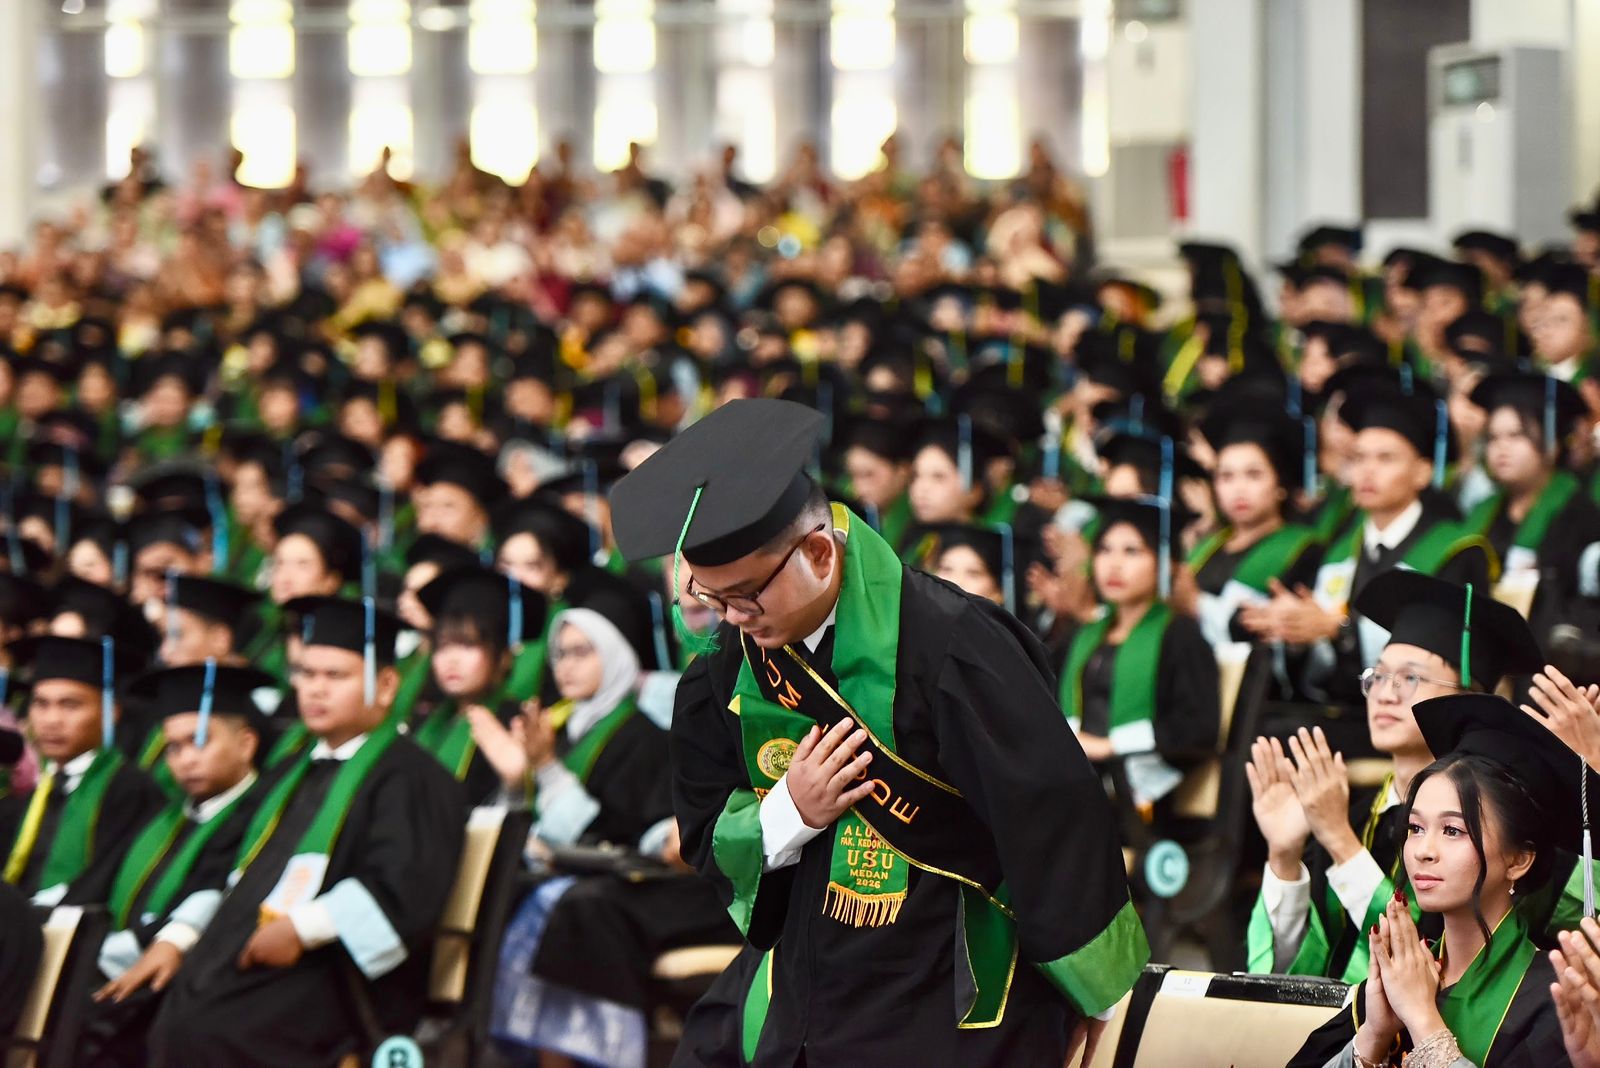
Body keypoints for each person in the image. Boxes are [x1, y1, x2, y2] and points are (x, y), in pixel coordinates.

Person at [610, 399, 1147, 1067]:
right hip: (805, 973)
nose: (734, 619)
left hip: (943, 970)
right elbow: (705, 820)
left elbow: (1051, 814)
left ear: (817, 552)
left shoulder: (953, 643)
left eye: (746, 595)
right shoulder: (726, 669)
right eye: (711, 598)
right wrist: (790, 811)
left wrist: (1097, 995)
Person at [147, 596, 465, 1067]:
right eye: (306, 674)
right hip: (247, 956)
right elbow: (222, 864)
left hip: (337, 973)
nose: (315, 690)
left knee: (209, 1031)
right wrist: (176, 938)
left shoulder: (412, 777)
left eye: (335, 676)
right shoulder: (289, 772)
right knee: (147, 1012)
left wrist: (303, 928)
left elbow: (405, 886)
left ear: (385, 685)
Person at [1248, 571, 1544, 982]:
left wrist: (1340, 842)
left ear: (1469, 700)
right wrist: (1284, 855)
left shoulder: (1487, 830)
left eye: (1410, 678)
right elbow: (1286, 975)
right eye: (1378, 676)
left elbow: (1438, 960)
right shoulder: (1357, 816)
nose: (1385, 694)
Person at [490, 607, 735, 1068]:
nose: (566, 666)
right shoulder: (566, 731)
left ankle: (599, 1055)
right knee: (520, 889)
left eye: (581, 652)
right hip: (601, 874)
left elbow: (635, 828)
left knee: (576, 907)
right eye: (560, 654)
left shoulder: (641, 734)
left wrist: (546, 769)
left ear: (614, 655)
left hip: (666, 879)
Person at [1288, 693, 1581, 1067]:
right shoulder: (1396, 979)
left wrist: (1423, 1019)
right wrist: (1374, 1035)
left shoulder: (1555, 1000)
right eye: (1415, 827)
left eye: (1453, 830)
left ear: (1519, 860)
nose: (1423, 850)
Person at [77, 662, 271, 1068]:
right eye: (173, 748)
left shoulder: (262, 819)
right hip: (120, 970)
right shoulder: (163, 818)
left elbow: (219, 898)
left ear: (246, 744)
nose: (185, 760)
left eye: (199, 742)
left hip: (191, 988)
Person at [1056, 495, 1220, 837]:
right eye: (1104, 550)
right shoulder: (1085, 635)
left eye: (1132, 551)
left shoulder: (1181, 635)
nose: (1114, 565)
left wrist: (1109, 746)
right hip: (1082, 779)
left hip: (1143, 795)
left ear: (1166, 564)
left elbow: (1197, 729)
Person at [0, 636, 163, 906]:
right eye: (41, 704)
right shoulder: (31, 794)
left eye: (70, 705)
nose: (52, 720)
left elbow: (108, 882)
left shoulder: (132, 790)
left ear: (111, 713)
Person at [412, 564, 547, 804]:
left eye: (468, 645)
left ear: (503, 656)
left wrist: (516, 784)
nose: (452, 659)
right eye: (443, 646)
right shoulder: (426, 721)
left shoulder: (515, 724)